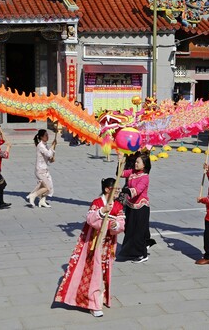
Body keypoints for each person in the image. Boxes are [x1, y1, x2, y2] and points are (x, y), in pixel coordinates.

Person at [54, 178, 125, 317]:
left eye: (119, 189)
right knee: (95, 273)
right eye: (115, 189)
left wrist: (116, 225)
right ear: (106, 189)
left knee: (104, 272)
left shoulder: (118, 206)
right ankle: (94, 303)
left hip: (108, 244)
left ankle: (100, 298)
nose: (118, 191)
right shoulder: (97, 203)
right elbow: (90, 220)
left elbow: (121, 222)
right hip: (94, 243)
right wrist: (102, 212)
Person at [117, 151, 152, 263]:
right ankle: (130, 252)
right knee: (129, 230)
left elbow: (135, 191)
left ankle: (142, 254)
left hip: (141, 208)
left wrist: (122, 190)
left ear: (144, 165)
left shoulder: (145, 177)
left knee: (138, 232)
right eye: (136, 162)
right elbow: (120, 173)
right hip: (130, 206)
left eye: (138, 162)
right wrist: (120, 160)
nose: (135, 164)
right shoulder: (132, 172)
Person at [26, 129, 56, 208]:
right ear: (41, 137)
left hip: (45, 169)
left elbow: (48, 157)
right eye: (46, 135)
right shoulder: (40, 146)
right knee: (46, 187)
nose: (47, 136)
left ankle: (42, 201)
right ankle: (33, 195)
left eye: (47, 135)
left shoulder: (45, 145)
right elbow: (49, 153)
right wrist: (53, 146)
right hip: (40, 170)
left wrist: (52, 157)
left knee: (48, 185)